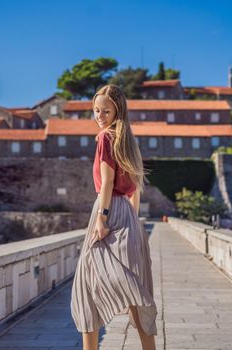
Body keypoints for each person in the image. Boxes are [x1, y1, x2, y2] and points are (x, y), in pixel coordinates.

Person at [70, 84, 157, 350]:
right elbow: (137, 190)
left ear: (118, 110)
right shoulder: (129, 141)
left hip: (107, 212)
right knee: (135, 294)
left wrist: (102, 218)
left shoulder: (106, 138)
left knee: (86, 288)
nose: (99, 116)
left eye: (105, 111)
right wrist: (133, 221)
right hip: (129, 217)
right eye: (96, 110)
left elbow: (107, 182)